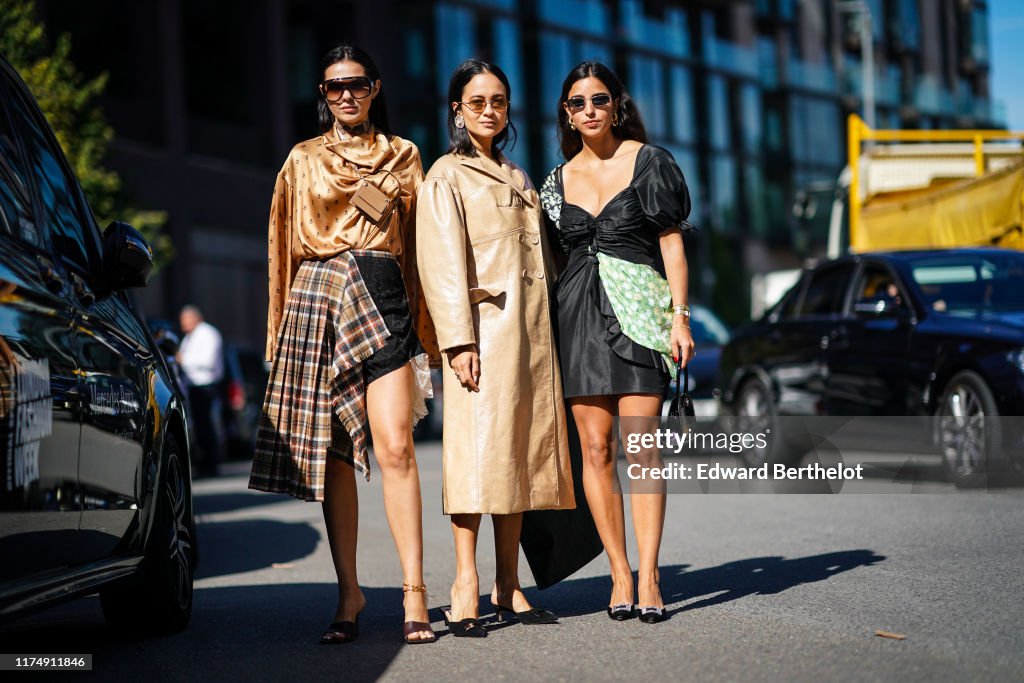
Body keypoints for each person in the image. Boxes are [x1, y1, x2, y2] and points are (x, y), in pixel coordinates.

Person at [249, 44, 438, 645]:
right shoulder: (301, 160)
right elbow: (280, 248)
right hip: (317, 303)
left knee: (395, 447)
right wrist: (278, 340)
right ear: (323, 96)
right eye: (333, 87)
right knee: (335, 459)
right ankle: (349, 592)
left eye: (356, 84)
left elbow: (423, 249)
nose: (345, 94)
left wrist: (438, 337)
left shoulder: (405, 156)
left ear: (376, 88)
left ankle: (415, 590)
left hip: (384, 299)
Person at [416, 59, 576, 637]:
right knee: (474, 457)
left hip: (532, 337)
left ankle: (508, 583)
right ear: (456, 108)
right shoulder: (446, 175)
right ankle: (465, 582)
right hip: (481, 334)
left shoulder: (519, 175)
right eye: (478, 100)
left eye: (499, 101)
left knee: (518, 455)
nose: (490, 109)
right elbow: (440, 266)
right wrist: (456, 341)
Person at [539, 61, 696, 624]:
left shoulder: (650, 162)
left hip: (641, 318)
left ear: (616, 105)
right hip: (577, 319)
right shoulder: (553, 183)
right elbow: (552, 262)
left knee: (642, 445)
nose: (589, 111)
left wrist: (680, 319)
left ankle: (651, 576)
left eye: (599, 100)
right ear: (567, 112)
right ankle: (620, 574)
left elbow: (673, 246)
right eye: (577, 102)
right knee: (597, 451)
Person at [178, 305, 225, 477]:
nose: (183, 324)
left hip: (205, 384)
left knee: (206, 425)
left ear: (194, 318)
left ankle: (211, 463)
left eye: (185, 320)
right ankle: (204, 462)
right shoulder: (189, 337)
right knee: (198, 425)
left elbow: (208, 360)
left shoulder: (208, 334)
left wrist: (184, 359)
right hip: (193, 385)